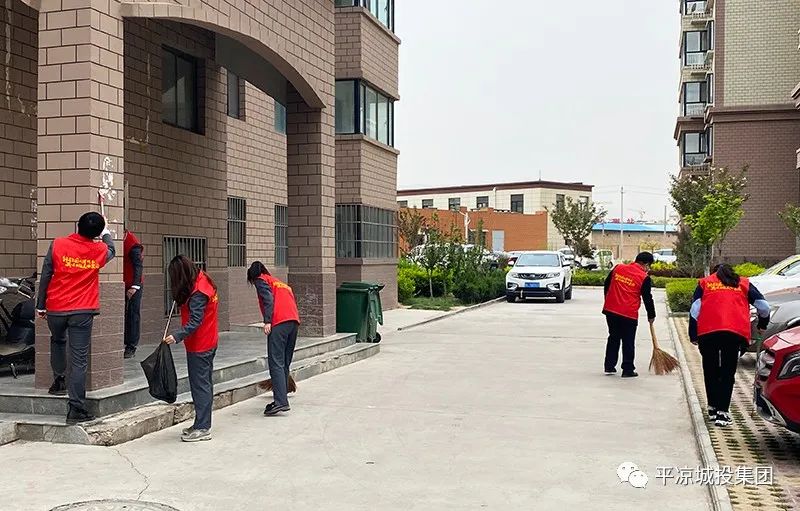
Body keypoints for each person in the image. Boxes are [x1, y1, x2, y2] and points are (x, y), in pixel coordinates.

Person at [36, 212, 115, 424]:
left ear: (77, 225)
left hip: (56, 306)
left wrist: (40, 305)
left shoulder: (58, 244)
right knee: (79, 360)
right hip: (82, 310)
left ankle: (59, 381)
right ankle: (76, 408)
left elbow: (46, 274)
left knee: (57, 341)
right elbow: (112, 249)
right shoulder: (99, 250)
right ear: (97, 233)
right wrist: (106, 232)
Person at [689, 264, 770, 427]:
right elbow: (764, 306)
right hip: (734, 333)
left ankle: (712, 408)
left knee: (710, 370)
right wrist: (763, 324)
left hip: (708, 332)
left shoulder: (705, 283)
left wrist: (693, 334)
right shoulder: (743, 283)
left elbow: (694, 310)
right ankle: (722, 413)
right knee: (727, 372)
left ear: (714, 273)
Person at [163, 255, 219, 442]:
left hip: (200, 345)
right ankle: (201, 422)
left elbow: (196, 321)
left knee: (200, 386)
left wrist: (176, 336)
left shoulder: (198, 293)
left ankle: (203, 427)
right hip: (208, 340)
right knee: (204, 384)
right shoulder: (202, 279)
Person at [247, 261, 300, 416]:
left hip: (279, 323)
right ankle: (282, 395)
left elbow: (268, 299)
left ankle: (281, 402)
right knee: (284, 362)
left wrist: (268, 321)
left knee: (276, 362)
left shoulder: (261, 280)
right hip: (293, 323)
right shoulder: (279, 283)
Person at [602, 252, 656, 378]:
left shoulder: (618, 268)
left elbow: (607, 284)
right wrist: (651, 315)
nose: (648, 269)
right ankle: (627, 369)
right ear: (645, 264)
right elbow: (647, 298)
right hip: (628, 314)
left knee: (613, 337)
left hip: (611, 310)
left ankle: (609, 366)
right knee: (628, 340)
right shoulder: (644, 277)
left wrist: (608, 300)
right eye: (649, 266)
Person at [123, 228, 144, 359]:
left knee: (132, 314)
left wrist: (134, 286)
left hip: (133, 285)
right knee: (124, 315)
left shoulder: (133, 244)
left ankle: (131, 346)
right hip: (123, 282)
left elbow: (138, 266)